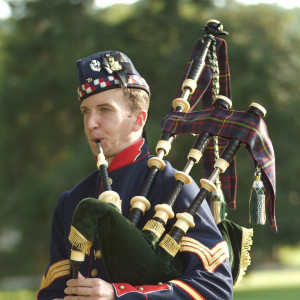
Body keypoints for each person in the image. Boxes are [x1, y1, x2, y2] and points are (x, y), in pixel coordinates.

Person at [37, 50, 233, 300]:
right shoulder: (71, 200)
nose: (90, 123)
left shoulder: (175, 187)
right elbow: (53, 291)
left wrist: (118, 295)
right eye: (86, 111)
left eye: (104, 110)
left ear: (138, 120)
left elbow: (215, 290)